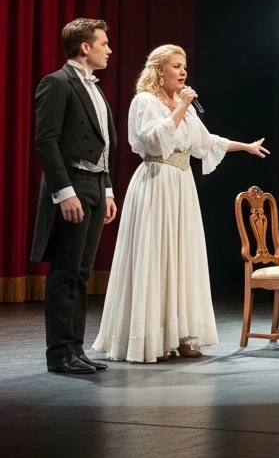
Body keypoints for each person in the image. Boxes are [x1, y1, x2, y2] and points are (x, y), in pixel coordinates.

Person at [91, 45, 268, 363]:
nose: (183, 71)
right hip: (157, 182)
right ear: (160, 70)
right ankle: (153, 339)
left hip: (182, 185)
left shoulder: (181, 105)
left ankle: (183, 335)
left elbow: (206, 143)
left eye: (185, 65)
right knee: (156, 257)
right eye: (176, 66)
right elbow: (154, 141)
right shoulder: (144, 101)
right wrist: (182, 105)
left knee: (182, 258)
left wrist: (246, 146)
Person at [31, 19, 119, 375]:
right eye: (103, 42)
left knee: (81, 273)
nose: (109, 49)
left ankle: (76, 350)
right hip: (73, 183)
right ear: (85, 47)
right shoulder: (57, 83)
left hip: (96, 185)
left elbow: (105, 143)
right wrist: (63, 192)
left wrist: (108, 188)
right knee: (66, 272)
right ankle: (59, 354)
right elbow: (46, 141)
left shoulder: (95, 87)